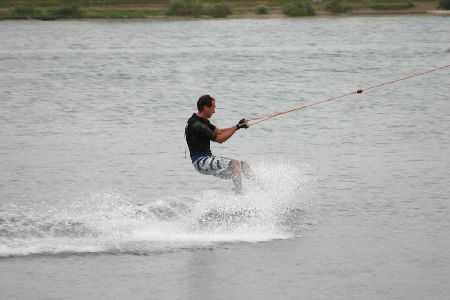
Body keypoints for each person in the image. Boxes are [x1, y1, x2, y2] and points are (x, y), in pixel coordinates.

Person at [185, 95, 251, 194]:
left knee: (244, 165)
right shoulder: (197, 125)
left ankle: (262, 189)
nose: (214, 111)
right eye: (213, 107)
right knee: (235, 164)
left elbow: (219, 131)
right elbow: (220, 139)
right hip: (200, 162)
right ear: (206, 108)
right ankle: (239, 195)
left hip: (208, 159)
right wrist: (237, 127)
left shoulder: (203, 121)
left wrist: (239, 125)